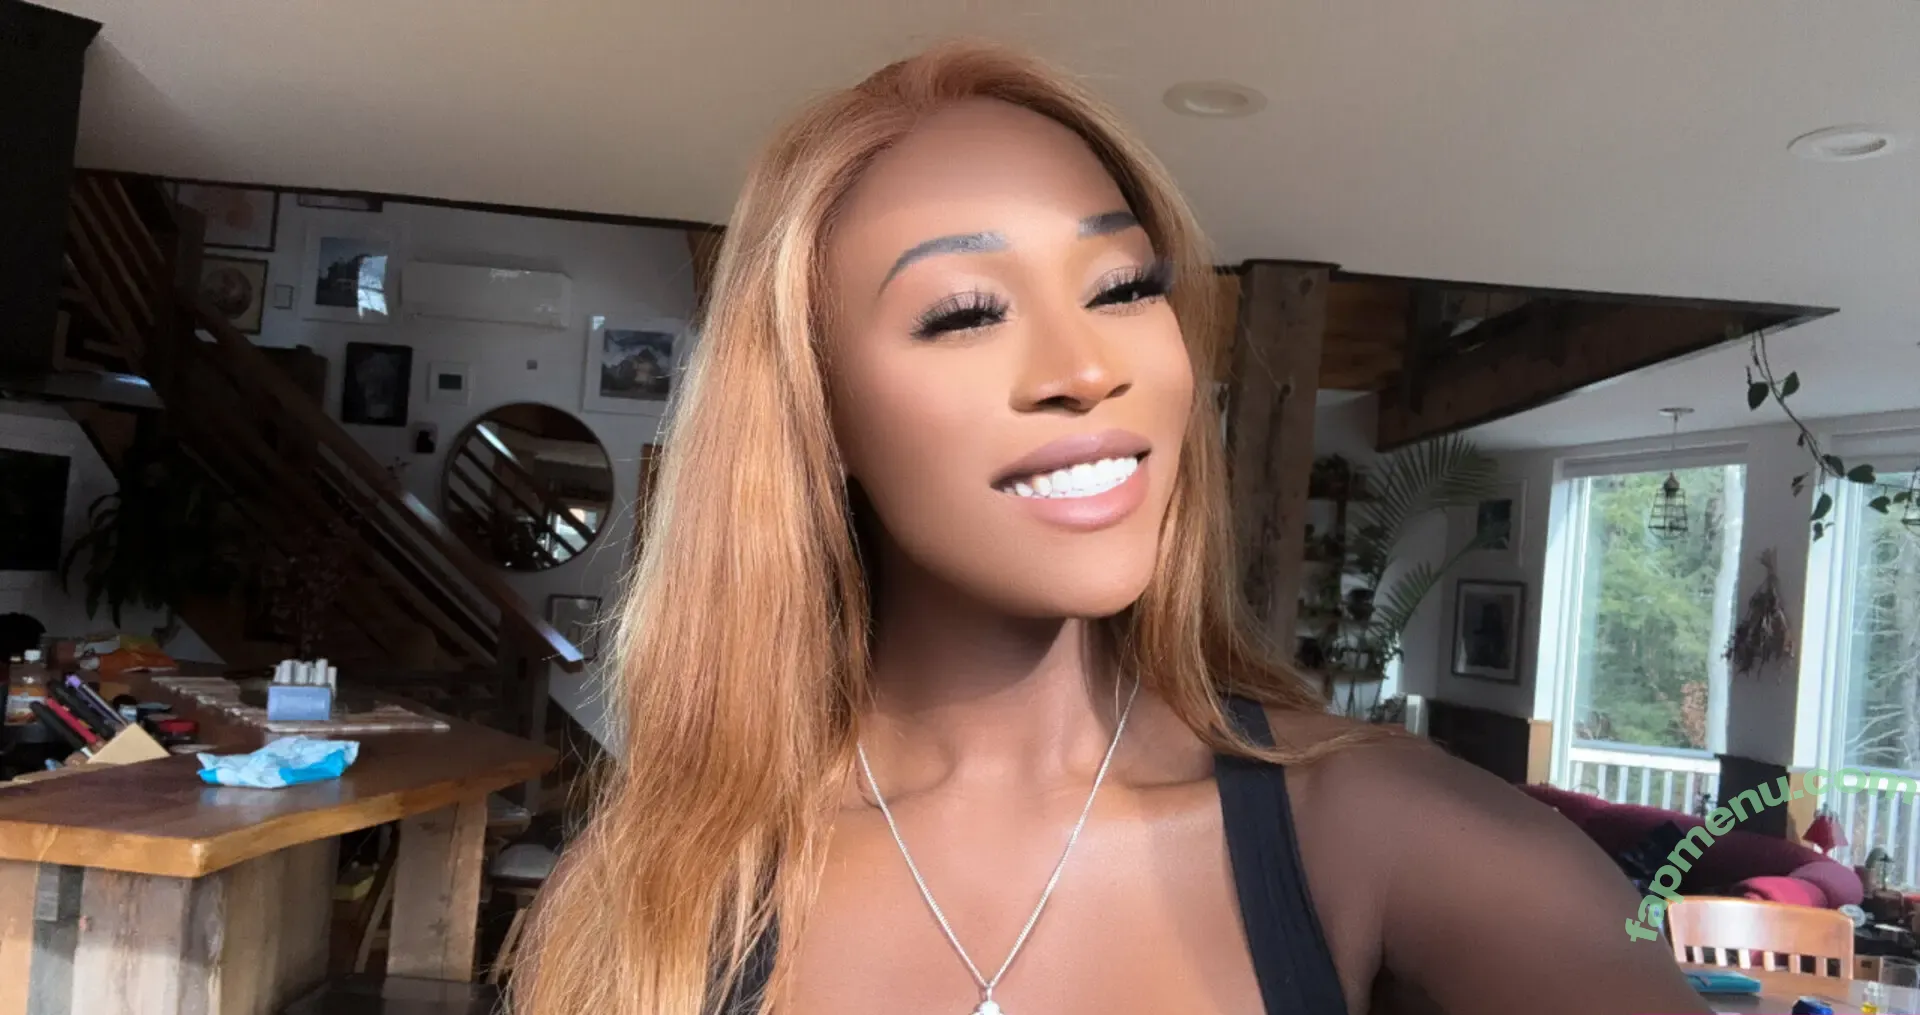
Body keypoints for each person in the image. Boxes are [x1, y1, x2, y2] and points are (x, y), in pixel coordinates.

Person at [512, 42, 1708, 1015]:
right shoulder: (643, 903)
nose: (1087, 367)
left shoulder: (1396, 835)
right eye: (964, 313)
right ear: (816, 411)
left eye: (1125, 288)